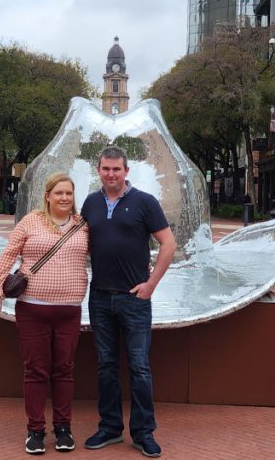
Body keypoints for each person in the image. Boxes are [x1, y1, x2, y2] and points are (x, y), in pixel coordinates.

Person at [80, 146, 176, 458]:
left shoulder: (145, 202)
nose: (111, 174)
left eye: (116, 169)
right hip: (100, 297)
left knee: (139, 367)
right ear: (99, 170)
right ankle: (109, 428)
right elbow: (77, 244)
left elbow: (168, 244)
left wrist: (151, 284)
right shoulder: (91, 203)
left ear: (126, 171)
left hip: (134, 299)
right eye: (105, 169)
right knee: (106, 365)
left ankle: (143, 432)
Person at [0, 173, 89, 455]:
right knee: (35, 370)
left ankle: (63, 429)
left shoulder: (83, 225)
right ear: (47, 196)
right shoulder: (31, 221)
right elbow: (8, 255)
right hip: (32, 309)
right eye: (58, 193)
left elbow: (106, 255)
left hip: (69, 311)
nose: (64, 198)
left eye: (68, 193)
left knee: (64, 370)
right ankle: (35, 431)